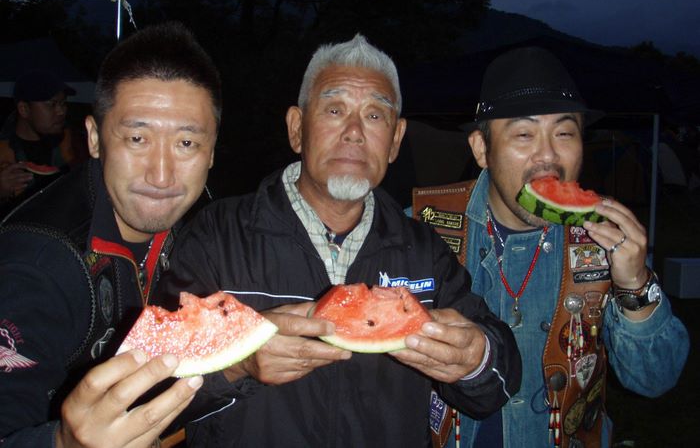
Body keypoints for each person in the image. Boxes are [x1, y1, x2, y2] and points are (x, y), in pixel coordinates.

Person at [156, 34, 521, 447]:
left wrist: (476, 359)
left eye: (375, 116)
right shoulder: (217, 236)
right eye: (334, 110)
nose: (354, 132)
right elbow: (152, 387)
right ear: (297, 128)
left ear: (395, 140)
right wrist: (237, 363)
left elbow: (497, 384)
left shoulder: (423, 249)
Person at [412, 46, 689, 447]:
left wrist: (635, 284)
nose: (548, 155)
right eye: (524, 134)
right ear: (481, 149)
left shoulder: (606, 238)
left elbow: (655, 380)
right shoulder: (419, 228)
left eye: (564, 133)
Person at [0, 21, 222, 447]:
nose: (161, 176)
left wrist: (241, 367)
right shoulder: (35, 266)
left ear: (211, 151)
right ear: (94, 138)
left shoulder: (197, 227)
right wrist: (62, 443)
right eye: (137, 138)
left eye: (186, 144)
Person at [0, 70, 80, 215]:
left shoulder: (77, 144)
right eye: (52, 104)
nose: (61, 111)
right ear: (24, 109)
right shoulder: (3, 151)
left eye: (63, 103)